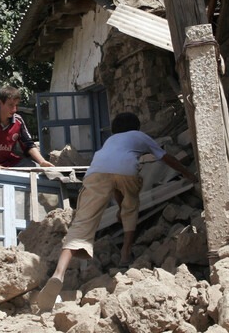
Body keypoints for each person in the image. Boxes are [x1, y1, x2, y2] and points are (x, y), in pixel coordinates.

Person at [36, 112, 198, 311]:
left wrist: (118, 207)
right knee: (131, 207)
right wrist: (188, 173)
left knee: (81, 224)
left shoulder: (110, 142)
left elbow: (112, 182)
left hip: (96, 172)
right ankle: (125, 254)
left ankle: (58, 274)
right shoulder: (139, 136)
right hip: (126, 170)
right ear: (136, 127)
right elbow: (166, 158)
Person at [0, 85, 53, 169]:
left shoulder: (18, 121)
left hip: (8, 163)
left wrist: (42, 162)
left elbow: (29, 145)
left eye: (16, 105)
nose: (14, 109)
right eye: (11, 105)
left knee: (35, 167)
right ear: (0, 103)